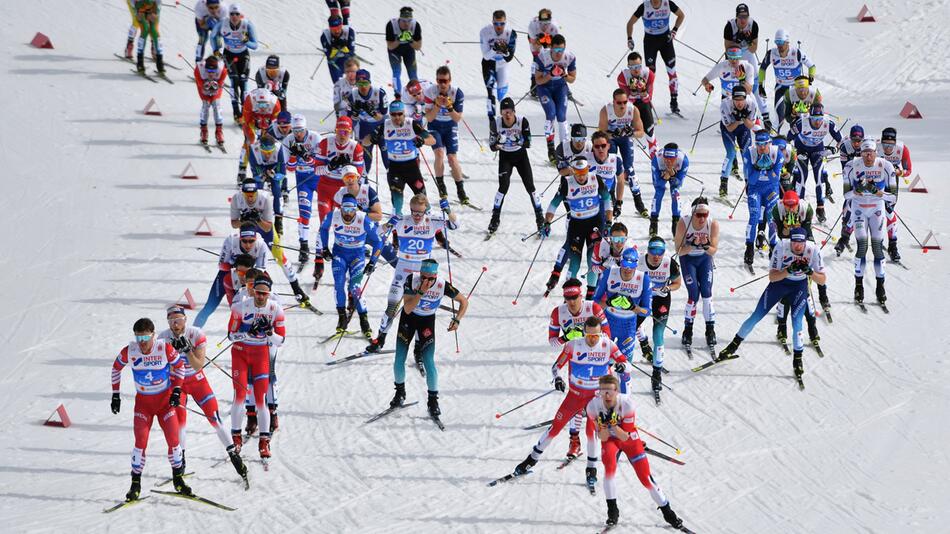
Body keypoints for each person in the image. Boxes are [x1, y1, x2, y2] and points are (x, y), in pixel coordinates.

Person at [511, 317, 627, 491]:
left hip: (596, 398)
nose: (592, 339)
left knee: (592, 432)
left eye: (595, 336)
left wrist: (621, 367)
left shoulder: (608, 345)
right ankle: (531, 459)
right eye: (588, 335)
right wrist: (557, 378)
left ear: (601, 334)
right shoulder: (573, 345)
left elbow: (624, 363)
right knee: (556, 427)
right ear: (584, 333)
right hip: (575, 395)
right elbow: (556, 366)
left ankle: (591, 469)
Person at [717, 227, 826, 384]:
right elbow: (772, 277)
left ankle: (798, 360)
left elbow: (822, 280)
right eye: (794, 242)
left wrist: (809, 272)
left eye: (800, 243)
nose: (797, 246)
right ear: (791, 241)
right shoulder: (782, 247)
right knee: (756, 316)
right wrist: (788, 270)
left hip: (799, 288)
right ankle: (732, 346)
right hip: (779, 284)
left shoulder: (813, 250)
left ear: (805, 242)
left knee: (797, 323)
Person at [158, 306, 248, 480]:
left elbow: (198, 364)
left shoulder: (196, 334)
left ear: (185, 320)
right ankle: (180, 462)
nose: (175, 325)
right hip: (178, 383)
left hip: (197, 380)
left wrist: (187, 351)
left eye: (179, 320)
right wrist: (173, 354)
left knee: (214, 417)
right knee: (179, 422)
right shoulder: (163, 338)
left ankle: (234, 457)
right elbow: (162, 368)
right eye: (171, 321)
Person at [586, 374, 685, 529]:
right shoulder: (593, 406)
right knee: (609, 472)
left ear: (617, 391)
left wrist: (612, 425)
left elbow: (625, 436)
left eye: (610, 391)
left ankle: (668, 513)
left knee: (646, 478)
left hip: (629, 440)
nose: (606, 395)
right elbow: (602, 437)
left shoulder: (626, 404)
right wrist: (604, 427)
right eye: (602, 391)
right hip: (610, 441)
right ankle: (613, 512)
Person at [367, 194, 458, 353]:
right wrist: (389, 224)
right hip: (403, 269)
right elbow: (376, 233)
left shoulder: (432, 221)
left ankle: (418, 346)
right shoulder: (402, 221)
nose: (417, 216)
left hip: (422, 272)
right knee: (392, 304)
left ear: (425, 211)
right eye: (414, 212)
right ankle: (380, 338)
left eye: (420, 213)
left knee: (418, 309)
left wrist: (448, 210)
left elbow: (454, 225)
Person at [111, 318, 188, 499]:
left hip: (164, 404)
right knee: (140, 442)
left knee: (173, 440)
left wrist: (177, 390)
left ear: (153, 335)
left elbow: (180, 367)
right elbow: (116, 369)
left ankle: (178, 479)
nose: (142, 343)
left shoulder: (164, 348)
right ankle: (135, 484)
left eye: (145, 338)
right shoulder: (130, 351)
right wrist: (115, 394)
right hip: (143, 405)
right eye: (138, 339)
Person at [387, 259, 468, 418]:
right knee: (399, 358)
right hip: (408, 320)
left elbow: (464, 302)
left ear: (436, 276)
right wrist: (421, 292)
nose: (426, 281)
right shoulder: (412, 280)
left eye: (430, 278)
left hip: (427, 321)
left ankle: (433, 401)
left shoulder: (442, 285)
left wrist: (457, 320)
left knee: (429, 361)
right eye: (423, 277)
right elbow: (408, 308)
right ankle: (400, 393)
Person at [548, 278, 611, 459]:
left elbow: (607, 335)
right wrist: (565, 337)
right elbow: (552, 343)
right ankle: (574, 441)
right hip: (576, 359)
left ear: (581, 295)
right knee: (576, 400)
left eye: (575, 297)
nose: (572, 302)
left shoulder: (593, 308)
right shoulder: (558, 313)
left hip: (597, 357)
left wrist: (591, 337)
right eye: (568, 298)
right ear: (564, 298)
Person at [227, 276, 285, 459]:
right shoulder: (239, 308)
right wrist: (245, 332)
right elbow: (230, 336)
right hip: (240, 354)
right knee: (240, 397)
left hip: (260, 355)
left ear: (269, 293)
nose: (260, 296)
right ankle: (236, 439)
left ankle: (264, 442)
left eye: (264, 293)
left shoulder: (276, 309)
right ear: (252, 291)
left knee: (261, 399)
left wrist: (269, 332)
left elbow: (281, 340)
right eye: (258, 292)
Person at [542, 157, 613, 298]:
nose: (581, 177)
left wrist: (609, 222)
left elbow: (607, 199)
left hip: (595, 224)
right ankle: (571, 293)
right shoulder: (567, 183)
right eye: (578, 174)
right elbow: (553, 204)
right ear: (573, 171)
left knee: (592, 260)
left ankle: (590, 295)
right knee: (574, 263)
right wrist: (547, 222)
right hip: (576, 225)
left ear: (588, 170)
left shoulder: (596, 179)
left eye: (583, 173)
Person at [317, 193, 383, 338]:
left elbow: (379, 241)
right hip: (339, 254)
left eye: (351, 210)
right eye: (345, 210)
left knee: (355, 287)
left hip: (356, 256)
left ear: (356, 209)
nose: (348, 214)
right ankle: (342, 317)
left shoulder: (363, 218)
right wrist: (324, 249)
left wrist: (373, 262)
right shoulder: (333, 215)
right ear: (340, 208)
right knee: (339, 285)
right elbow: (323, 229)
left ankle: (363, 320)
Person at [843, 140, 897, 306]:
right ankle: (858, 286)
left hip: (877, 210)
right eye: (865, 152)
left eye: (871, 152)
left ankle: (880, 286)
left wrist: (878, 192)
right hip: (859, 209)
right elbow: (846, 196)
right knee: (861, 246)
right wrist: (856, 190)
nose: (868, 156)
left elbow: (893, 197)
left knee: (877, 247)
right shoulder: (851, 166)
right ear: (860, 153)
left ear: (876, 152)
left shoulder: (886, 166)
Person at [593, 247, 652, 396]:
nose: (627, 270)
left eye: (631, 268)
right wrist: (608, 303)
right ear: (620, 263)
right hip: (608, 324)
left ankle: (625, 403)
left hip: (628, 326)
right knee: (602, 363)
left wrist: (633, 307)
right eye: (624, 266)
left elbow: (647, 311)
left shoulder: (643, 278)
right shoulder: (610, 273)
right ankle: (599, 399)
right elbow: (595, 302)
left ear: (636, 265)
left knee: (624, 367)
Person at [770, 191, 824, 345]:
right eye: (787, 205)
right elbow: (781, 235)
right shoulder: (777, 209)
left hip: (804, 242)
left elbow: (806, 234)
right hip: (787, 245)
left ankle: (821, 299)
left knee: (809, 282)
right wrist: (787, 228)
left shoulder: (806, 209)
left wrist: (796, 227)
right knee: (784, 287)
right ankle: (781, 327)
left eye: (792, 205)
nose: (790, 208)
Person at [486, 97, 542, 234]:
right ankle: (495, 217)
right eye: (504, 112)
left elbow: (529, 143)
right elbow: (492, 146)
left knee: (531, 187)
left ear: (514, 111)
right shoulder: (496, 123)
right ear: (501, 113)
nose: (507, 114)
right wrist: (498, 143)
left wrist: (520, 140)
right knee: (503, 187)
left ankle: (540, 218)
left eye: (510, 111)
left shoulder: (522, 121)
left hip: (521, 156)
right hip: (505, 157)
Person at [674, 197, 720, 354]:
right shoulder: (683, 223)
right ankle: (688, 330)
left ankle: (710, 330)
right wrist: (692, 245)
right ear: (692, 213)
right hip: (688, 260)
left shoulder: (712, 223)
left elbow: (713, 250)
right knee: (694, 293)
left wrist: (706, 245)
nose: (702, 218)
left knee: (707, 292)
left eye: (704, 215)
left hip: (704, 260)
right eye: (698, 215)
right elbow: (678, 251)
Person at [638, 237, 681, 397]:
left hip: (661, 298)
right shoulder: (639, 261)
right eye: (653, 251)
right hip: (642, 297)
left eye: (660, 252)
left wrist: (668, 287)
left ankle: (656, 374)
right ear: (648, 250)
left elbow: (678, 283)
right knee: (631, 326)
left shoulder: (670, 263)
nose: (656, 256)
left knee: (658, 335)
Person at [625, 0, 685, 114]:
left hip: (666, 41)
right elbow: (630, 23)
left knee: (672, 71)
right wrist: (629, 38)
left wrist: (674, 30)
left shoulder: (668, 3)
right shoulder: (645, 6)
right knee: (649, 75)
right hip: (650, 42)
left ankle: (674, 102)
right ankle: (647, 103)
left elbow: (681, 15)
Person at [787, 102, 842, 223]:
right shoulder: (802, 123)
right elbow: (787, 139)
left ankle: (820, 208)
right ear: (809, 117)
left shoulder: (828, 123)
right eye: (814, 119)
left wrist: (834, 149)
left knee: (819, 176)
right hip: (802, 149)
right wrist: (795, 152)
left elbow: (841, 140)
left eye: (819, 119)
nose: (817, 122)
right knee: (802, 176)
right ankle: (798, 207)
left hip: (817, 150)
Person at [424, 66, 470, 204]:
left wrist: (449, 107)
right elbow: (429, 118)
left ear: (450, 80)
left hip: (450, 126)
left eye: (445, 81)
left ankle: (461, 190)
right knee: (438, 153)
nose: (442, 84)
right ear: (436, 80)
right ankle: (441, 186)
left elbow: (457, 118)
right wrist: (437, 106)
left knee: (452, 159)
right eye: (439, 81)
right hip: (435, 126)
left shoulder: (456, 93)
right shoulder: (430, 92)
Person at [598, 89, 647, 216]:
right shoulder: (606, 111)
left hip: (625, 139)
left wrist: (630, 133)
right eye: (619, 102)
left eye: (625, 102)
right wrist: (613, 133)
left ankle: (638, 201)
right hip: (611, 139)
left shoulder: (633, 110)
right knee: (612, 167)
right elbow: (601, 133)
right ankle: (612, 197)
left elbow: (641, 132)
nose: (622, 105)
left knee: (629, 168)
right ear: (613, 102)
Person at [282, 114, 323, 264]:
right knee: (304, 213)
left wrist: (308, 157)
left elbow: (321, 161)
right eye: (295, 130)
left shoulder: (315, 137)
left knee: (326, 212)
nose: (298, 133)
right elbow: (290, 168)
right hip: (303, 180)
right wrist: (293, 156)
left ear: (305, 128)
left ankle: (322, 245)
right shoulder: (288, 141)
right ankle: (304, 246)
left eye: (300, 130)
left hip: (318, 178)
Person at [382, 100, 435, 215]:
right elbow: (365, 142)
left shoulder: (412, 124)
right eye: (393, 114)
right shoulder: (385, 125)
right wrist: (372, 138)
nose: (397, 117)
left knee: (421, 196)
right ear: (390, 114)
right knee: (397, 199)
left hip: (411, 167)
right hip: (394, 167)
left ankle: (429, 216)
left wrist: (423, 141)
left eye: (399, 114)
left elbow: (432, 140)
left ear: (404, 113)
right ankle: (397, 220)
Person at [741, 130, 784, 269]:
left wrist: (769, 167)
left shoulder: (777, 153)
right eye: (758, 144)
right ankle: (749, 248)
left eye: (764, 144)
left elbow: (776, 178)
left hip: (771, 189)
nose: (761, 148)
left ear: (769, 143)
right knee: (754, 217)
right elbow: (751, 179)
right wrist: (759, 168)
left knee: (771, 218)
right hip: (756, 189)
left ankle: (773, 248)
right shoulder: (749, 153)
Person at [759, 29, 815, 132]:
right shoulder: (772, 53)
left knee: (796, 119)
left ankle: (799, 142)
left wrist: (810, 78)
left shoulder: (796, 53)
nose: (779, 45)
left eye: (781, 42)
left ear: (787, 42)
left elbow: (812, 66)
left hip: (796, 89)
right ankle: (775, 141)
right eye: (777, 42)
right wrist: (760, 85)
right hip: (781, 88)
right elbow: (762, 69)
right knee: (780, 117)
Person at [533, 34, 577, 163]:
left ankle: (565, 149)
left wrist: (564, 74)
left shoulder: (569, 57)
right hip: (545, 88)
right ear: (551, 48)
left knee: (561, 116)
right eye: (556, 50)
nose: (559, 54)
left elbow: (572, 79)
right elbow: (538, 81)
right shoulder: (542, 57)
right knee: (551, 114)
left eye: (561, 50)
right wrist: (550, 75)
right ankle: (551, 148)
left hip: (560, 87)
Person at [211, 4, 258, 122]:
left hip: (243, 55)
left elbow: (255, 45)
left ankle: (245, 112)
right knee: (234, 81)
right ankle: (236, 113)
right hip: (229, 55)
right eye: (232, 14)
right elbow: (212, 36)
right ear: (229, 15)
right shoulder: (223, 23)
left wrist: (246, 41)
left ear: (240, 15)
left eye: (237, 14)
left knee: (243, 84)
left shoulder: (247, 24)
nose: (234, 16)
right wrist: (216, 49)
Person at [876, 127, 912, 261]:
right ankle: (877, 239)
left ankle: (893, 245)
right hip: (877, 181)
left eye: (891, 145)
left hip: (892, 183)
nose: (887, 148)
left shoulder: (902, 149)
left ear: (895, 143)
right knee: (877, 211)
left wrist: (900, 172)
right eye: (885, 144)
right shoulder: (875, 147)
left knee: (890, 212)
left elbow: (909, 170)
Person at [718, 86, 761, 197]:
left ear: (745, 98)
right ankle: (723, 185)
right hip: (729, 128)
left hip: (744, 128)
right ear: (732, 98)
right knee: (731, 153)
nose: (739, 103)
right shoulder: (725, 104)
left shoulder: (752, 104)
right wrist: (738, 120)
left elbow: (751, 125)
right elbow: (729, 128)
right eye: (736, 100)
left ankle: (749, 186)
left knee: (747, 155)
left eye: (741, 99)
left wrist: (744, 119)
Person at [724, 4, 763, 121]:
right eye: (740, 17)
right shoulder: (730, 26)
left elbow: (753, 49)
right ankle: (731, 114)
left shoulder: (753, 25)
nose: (743, 20)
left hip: (748, 53)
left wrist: (748, 40)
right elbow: (727, 48)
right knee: (735, 82)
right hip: (735, 55)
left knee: (753, 82)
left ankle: (756, 114)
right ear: (736, 17)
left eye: (745, 16)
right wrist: (737, 41)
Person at [479, 10, 517, 122]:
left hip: (502, 65)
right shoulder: (485, 32)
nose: (499, 27)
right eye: (496, 24)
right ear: (492, 22)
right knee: (491, 93)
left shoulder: (511, 33)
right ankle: (492, 123)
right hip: (489, 63)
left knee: (502, 96)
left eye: (502, 24)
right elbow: (486, 56)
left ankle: (506, 122)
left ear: (505, 22)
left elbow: (509, 58)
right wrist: (495, 49)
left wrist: (505, 51)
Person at [616, 52, 657, 155]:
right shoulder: (622, 77)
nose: (636, 69)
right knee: (627, 134)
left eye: (638, 66)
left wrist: (644, 93)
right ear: (628, 66)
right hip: (630, 106)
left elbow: (648, 99)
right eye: (632, 67)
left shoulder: (649, 74)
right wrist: (633, 93)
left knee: (650, 134)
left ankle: (655, 160)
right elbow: (626, 102)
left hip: (644, 105)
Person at [248, 134, 288, 235]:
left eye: (270, 152)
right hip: (260, 166)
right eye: (265, 152)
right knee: (259, 190)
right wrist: (263, 175)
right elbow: (256, 174)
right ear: (260, 148)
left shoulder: (279, 148)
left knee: (277, 190)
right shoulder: (253, 149)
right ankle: (257, 216)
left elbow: (282, 172)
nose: (267, 155)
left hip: (273, 167)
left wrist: (274, 175)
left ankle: (279, 220)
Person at [834, 125, 866, 255]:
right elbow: (845, 168)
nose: (857, 143)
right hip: (850, 174)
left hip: (866, 176)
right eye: (854, 140)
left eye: (860, 140)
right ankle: (845, 228)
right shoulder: (844, 147)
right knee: (849, 198)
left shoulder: (868, 146)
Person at [239, 85, 281, 181]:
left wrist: (267, 134)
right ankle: (242, 169)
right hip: (252, 122)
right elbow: (246, 123)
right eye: (259, 105)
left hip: (268, 122)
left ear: (269, 103)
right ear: (255, 102)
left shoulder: (275, 104)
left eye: (265, 105)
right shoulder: (249, 102)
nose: (262, 108)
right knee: (248, 143)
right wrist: (252, 138)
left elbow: (275, 126)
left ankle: (270, 170)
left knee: (269, 145)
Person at [649, 142, 688, 237]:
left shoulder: (683, 160)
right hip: (662, 173)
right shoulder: (656, 160)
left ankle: (676, 223)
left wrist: (672, 174)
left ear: (676, 157)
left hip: (675, 174)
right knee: (659, 192)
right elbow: (657, 183)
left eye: (672, 159)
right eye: (666, 159)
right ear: (663, 156)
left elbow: (679, 183)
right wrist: (665, 177)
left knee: (675, 192)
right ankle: (653, 222)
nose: (668, 162)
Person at [385, 6, 423, 96]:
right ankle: (397, 95)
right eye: (404, 21)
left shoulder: (415, 25)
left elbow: (418, 47)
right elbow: (390, 46)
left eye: (409, 21)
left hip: (409, 50)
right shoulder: (391, 25)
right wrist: (398, 40)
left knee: (413, 74)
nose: (407, 24)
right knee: (396, 72)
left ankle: (417, 96)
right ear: (399, 19)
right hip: (394, 51)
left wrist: (411, 41)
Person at [194, 55, 228, 147]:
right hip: (203, 88)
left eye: (213, 71)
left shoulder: (222, 69)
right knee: (205, 105)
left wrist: (216, 86)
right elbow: (199, 81)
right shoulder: (199, 69)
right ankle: (204, 131)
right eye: (209, 71)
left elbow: (221, 82)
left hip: (216, 88)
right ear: (205, 68)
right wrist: (204, 86)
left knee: (216, 106)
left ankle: (219, 132)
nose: (211, 73)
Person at [527, 8, 559, 97]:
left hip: (549, 42)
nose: (544, 26)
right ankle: (534, 85)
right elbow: (535, 46)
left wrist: (547, 43)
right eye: (542, 23)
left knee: (551, 60)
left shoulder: (554, 27)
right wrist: (541, 42)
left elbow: (556, 47)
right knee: (537, 61)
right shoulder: (533, 25)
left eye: (547, 23)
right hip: (535, 41)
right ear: (538, 21)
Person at [131, 0, 165, 74]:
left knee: (154, 32)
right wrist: (136, 12)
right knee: (145, 30)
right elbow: (133, 3)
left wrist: (156, 13)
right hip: (140, 9)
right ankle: (140, 62)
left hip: (152, 8)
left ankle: (160, 62)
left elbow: (158, 4)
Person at [321, 15, 356, 83]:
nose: (337, 31)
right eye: (333, 29)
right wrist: (335, 49)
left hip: (347, 61)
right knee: (338, 86)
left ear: (341, 25)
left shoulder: (349, 32)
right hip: (335, 63)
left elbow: (351, 52)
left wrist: (344, 49)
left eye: (339, 28)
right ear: (330, 28)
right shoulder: (325, 36)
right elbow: (329, 58)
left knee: (355, 83)